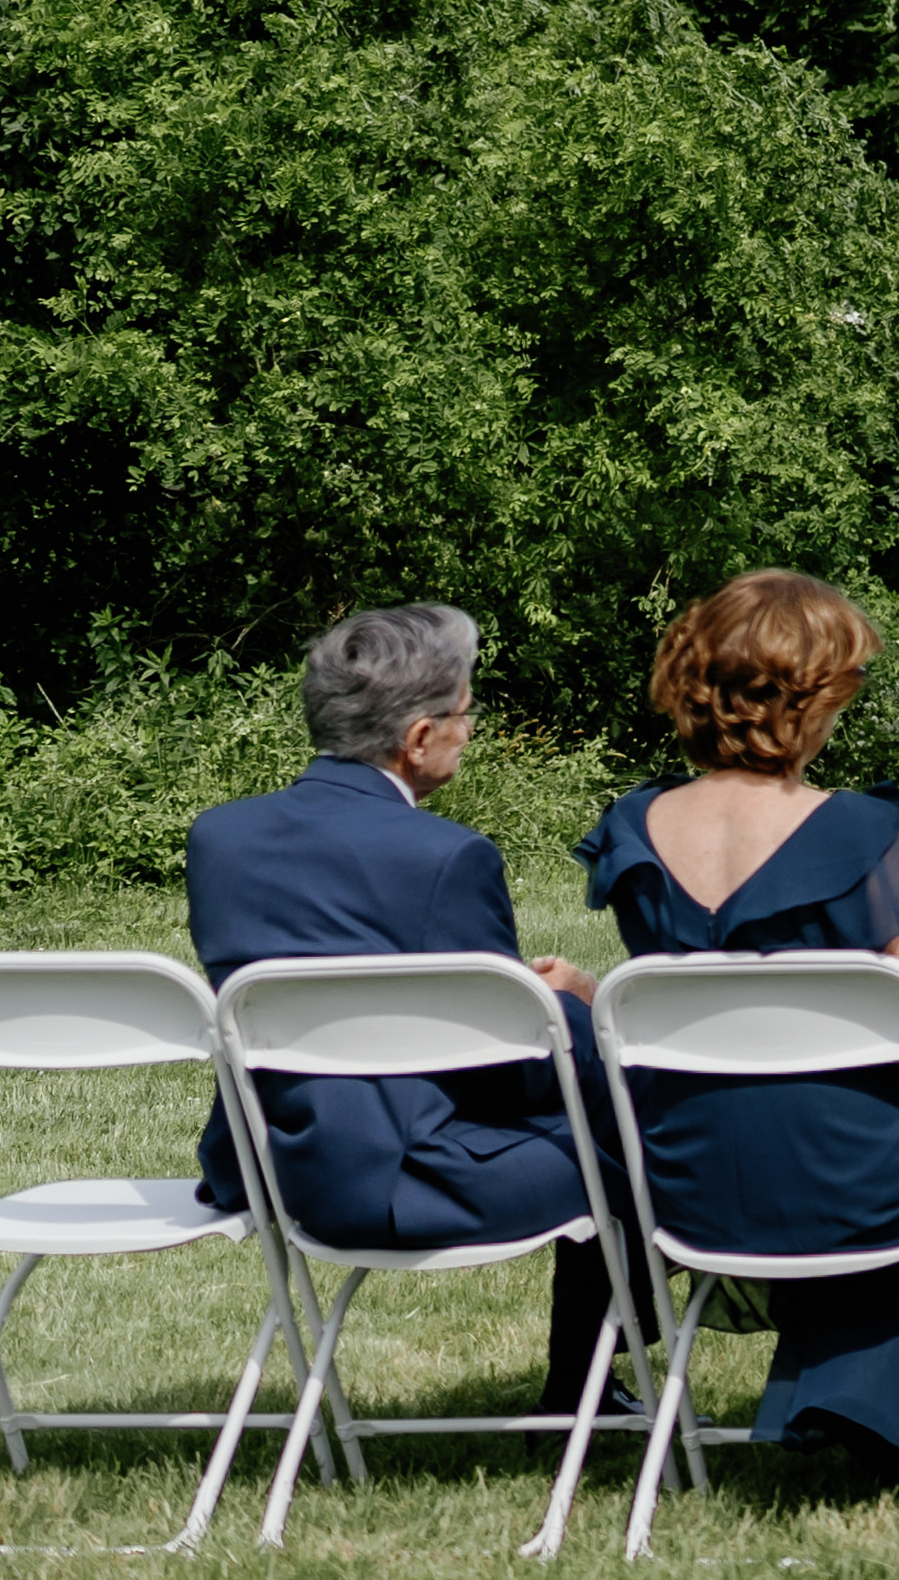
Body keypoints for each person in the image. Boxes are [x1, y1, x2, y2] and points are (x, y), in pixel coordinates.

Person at [578, 569, 899, 1480]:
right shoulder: (863, 834)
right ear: (809, 697)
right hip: (857, 1185)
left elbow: (698, 999)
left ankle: (863, 1390)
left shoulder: (633, 828)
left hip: (692, 1180)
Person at [183, 601, 630, 1416]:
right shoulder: (447, 855)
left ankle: (592, 1388)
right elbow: (516, 1072)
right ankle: (586, 1389)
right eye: (468, 712)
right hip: (409, 1179)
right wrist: (573, 1012)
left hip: (273, 1168)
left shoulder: (221, 837)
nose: (473, 727)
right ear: (419, 737)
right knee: (640, 1148)